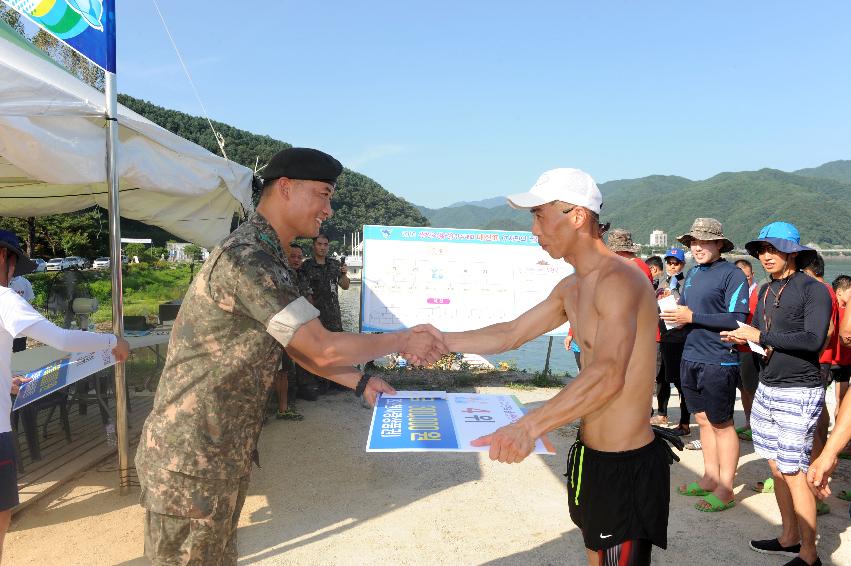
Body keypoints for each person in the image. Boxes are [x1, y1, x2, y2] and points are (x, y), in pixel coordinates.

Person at [134, 148, 447, 565]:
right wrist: (403, 339)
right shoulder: (248, 259)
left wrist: (359, 381)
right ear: (285, 188)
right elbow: (320, 344)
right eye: (323, 194)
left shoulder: (271, 259)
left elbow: (297, 347)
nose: (329, 209)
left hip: (214, 455)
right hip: (191, 458)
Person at [443, 167, 680, 566]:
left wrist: (527, 427)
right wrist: (440, 340)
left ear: (576, 215)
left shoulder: (620, 280)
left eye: (539, 215)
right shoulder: (573, 286)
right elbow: (511, 333)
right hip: (589, 455)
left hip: (624, 464)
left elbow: (607, 374)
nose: (535, 230)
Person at [0, 230, 130, 561]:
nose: (14, 273)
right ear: (4, 258)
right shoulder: (4, 298)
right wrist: (111, 341)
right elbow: (61, 339)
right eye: (15, 264)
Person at [722, 222, 830, 566]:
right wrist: (747, 340)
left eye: (774, 249)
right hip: (768, 387)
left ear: (793, 253)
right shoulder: (766, 292)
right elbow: (765, 339)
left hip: (799, 389)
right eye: (761, 250)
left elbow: (814, 340)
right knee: (776, 467)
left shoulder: (813, 290)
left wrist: (762, 337)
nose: (766, 256)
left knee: (794, 471)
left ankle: (810, 555)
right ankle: (788, 537)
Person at [660, 218, 748, 512]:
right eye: (692, 242)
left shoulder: (732, 275)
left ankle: (726, 489)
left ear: (719, 244)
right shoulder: (694, 273)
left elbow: (737, 319)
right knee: (701, 420)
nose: (696, 247)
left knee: (722, 424)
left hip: (719, 359)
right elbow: (685, 314)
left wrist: (692, 317)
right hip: (690, 355)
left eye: (703, 241)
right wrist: (671, 317)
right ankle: (710, 478)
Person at [298, 233, 350, 396]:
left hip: (333, 314)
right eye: (319, 244)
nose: (322, 247)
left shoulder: (335, 264)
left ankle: (335, 381)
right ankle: (312, 383)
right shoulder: (306, 266)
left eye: (325, 244)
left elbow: (345, 286)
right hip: (314, 315)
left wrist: (344, 274)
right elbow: (305, 292)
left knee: (335, 347)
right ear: (314, 246)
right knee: (314, 348)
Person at [273, 245, 312, 421]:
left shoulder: (301, 275)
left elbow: (309, 298)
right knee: (278, 369)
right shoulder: (279, 275)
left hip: (296, 327)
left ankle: (284, 407)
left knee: (286, 369)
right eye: (293, 256)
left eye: (299, 257)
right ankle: (279, 407)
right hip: (279, 327)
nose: (296, 260)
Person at [654, 247, 690, 436]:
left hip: (681, 338)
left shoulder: (688, 283)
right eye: (669, 262)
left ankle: (685, 423)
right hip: (664, 336)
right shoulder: (660, 281)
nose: (672, 266)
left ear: (682, 264)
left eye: (676, 263)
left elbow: (688, 306)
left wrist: (674, 295)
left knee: (682, 382)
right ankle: (664, 413)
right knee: (667, 378)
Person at [733, 258, 760, 442]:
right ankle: (750, 422)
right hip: (736, 346)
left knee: (752, 388)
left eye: (747, 277)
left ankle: (757, 426)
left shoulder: (758, 293)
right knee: (743, 388)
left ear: (752, 276)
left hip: (752, 348)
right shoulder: (734, 293)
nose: (745, 282)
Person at [832, 275, 851, 419]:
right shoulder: (830, 309)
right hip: (829, 362)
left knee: (842, 400)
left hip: (845, 363)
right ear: (839, 292)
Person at [8, 276, 34, 353]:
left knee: (19, 354)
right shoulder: (2, 281)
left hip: (20, 328)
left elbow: (29, 302)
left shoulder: (25, 282)